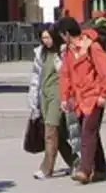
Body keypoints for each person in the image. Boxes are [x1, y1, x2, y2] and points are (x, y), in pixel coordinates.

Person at [58, 16, 106, 185]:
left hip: (94, 95)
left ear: (66, 34)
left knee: (87, 132)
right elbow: (65, 75)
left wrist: (104, 94)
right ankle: (101, 168)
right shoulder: (68, 51)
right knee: (91, 132)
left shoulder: (92, 47)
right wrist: (65, 97)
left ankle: (85, 169)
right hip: (79, 98)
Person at [30, 25, 76, 179]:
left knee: (50, 131)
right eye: (43, 38)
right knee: (57, 133)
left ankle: (46, 169)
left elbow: (67, 75)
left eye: (48, 37)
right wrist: (33, 101)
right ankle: (75, 162)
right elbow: (35, 78)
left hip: (57, 95)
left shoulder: (61, 53)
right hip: (44, 96)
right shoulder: (40, 54)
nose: (45, 41)